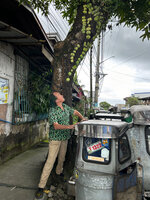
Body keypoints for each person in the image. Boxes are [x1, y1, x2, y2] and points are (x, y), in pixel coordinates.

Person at [35, 91, 85, 199]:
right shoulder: (52, 111)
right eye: (58, 94)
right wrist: (71, 126)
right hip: (55, 139)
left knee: (62, 158)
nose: (61, 95)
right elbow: (56, 126)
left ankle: (58, 173)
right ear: (56, 100)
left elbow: (75, 111)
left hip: (64, 138)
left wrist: (82, 118)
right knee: (50, 161)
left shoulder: (65, 107)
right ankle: (41, 186)